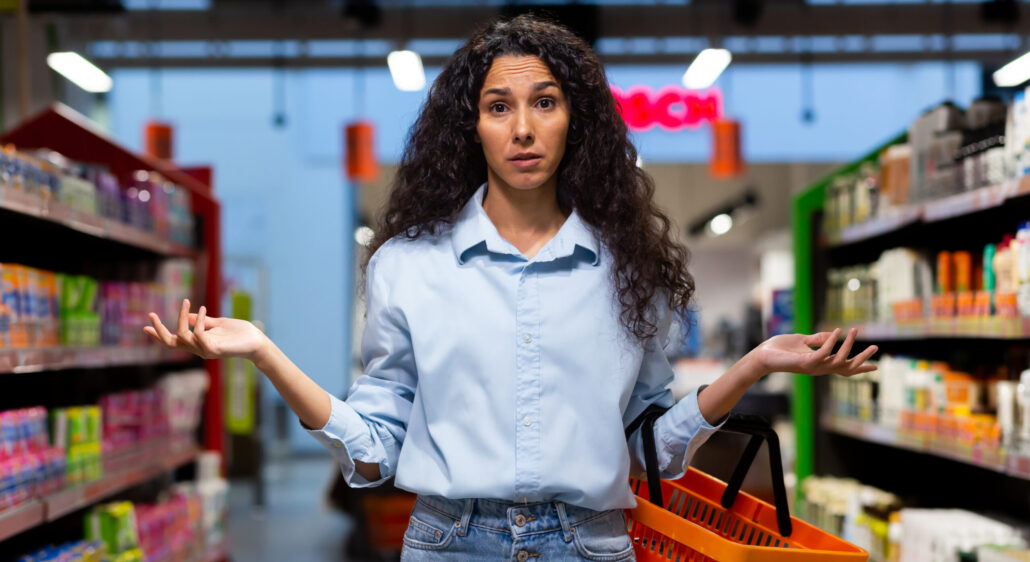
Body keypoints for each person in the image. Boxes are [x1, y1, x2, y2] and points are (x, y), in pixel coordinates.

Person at [144, 15, 877, 561]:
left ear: (574, 121)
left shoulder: (631, 268)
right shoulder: (409, 264)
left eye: (545, 103)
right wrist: (266, 353)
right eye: (499, 107)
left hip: (591, 545)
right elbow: (370, 455)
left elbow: (652, 447)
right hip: (449, 541)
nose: (523, 128)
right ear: (473, 127)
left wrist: (752, 366)